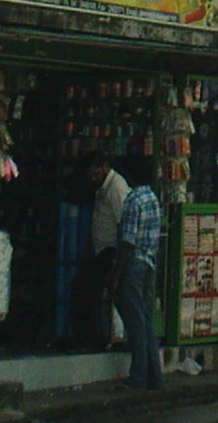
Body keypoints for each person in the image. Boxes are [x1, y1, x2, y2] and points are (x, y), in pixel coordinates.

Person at [109, 161, 163, 391]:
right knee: (147, 320)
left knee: (135, 321)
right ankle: (155, 376)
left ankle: (139, 376)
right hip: (150, 262)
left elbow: (128, 242)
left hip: (134, 264)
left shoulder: (132, 201)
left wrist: (115, 274)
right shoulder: (152, 199)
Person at [74, 152, 129, 347]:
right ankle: (99, 336)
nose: (93, 179)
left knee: (87, 288)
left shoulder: (116, 187)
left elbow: (123, 223)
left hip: (111, 250)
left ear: (104, 167)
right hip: (102, 250)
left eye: (96, 174)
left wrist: (118, 262)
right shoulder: (103, 187)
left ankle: (96, 338)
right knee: (91, 291)